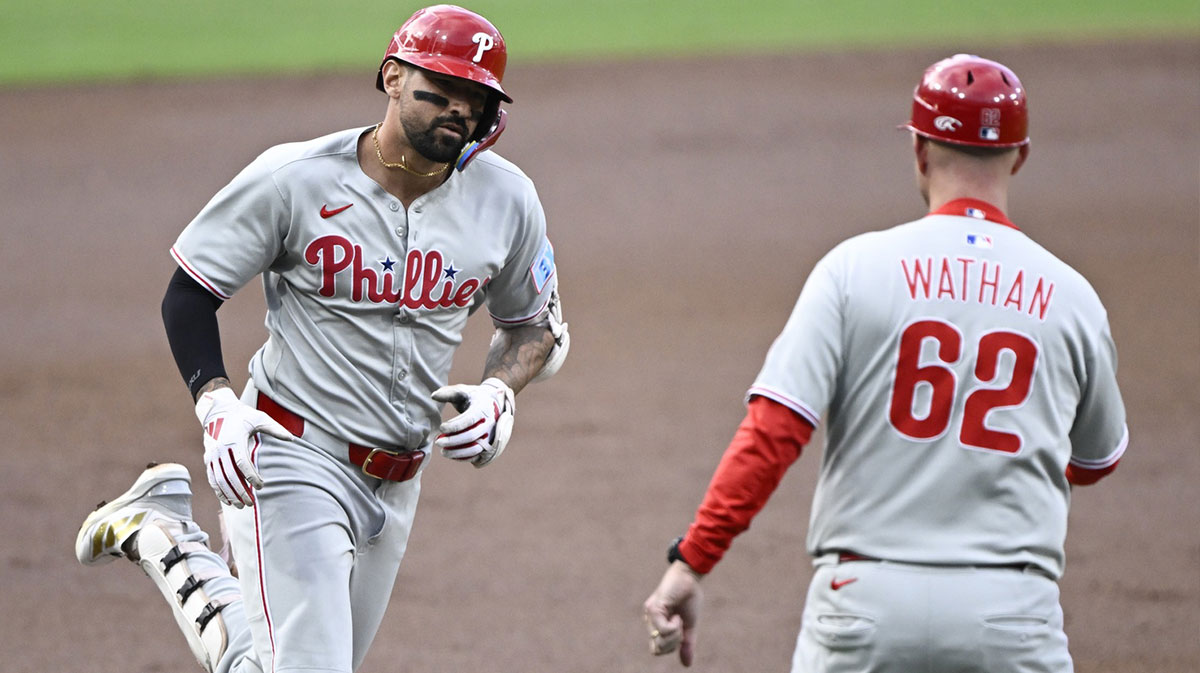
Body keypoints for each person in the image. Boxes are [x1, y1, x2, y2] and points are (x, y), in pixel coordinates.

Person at [74, 5, 569, 672]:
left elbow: (532, 327)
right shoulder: (295, 179)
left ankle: (164, 535)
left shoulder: (508, 200)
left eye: (476, 97)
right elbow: (189, 294)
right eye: (441, 90)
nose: (459, 109)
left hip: (400, 479)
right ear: (392, 78)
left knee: (270, 663)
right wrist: (217, 404)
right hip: (287, 455)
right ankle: (168, 533)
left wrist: (499, 391)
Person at [642, 54, 1127, 672]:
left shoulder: (852, 270)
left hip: (863, 605)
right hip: (1012, 613)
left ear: (921, 151)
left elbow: (773, 434)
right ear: (1020, 155)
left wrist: (691, 562)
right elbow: (1094, 461)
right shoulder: (1072, 296)